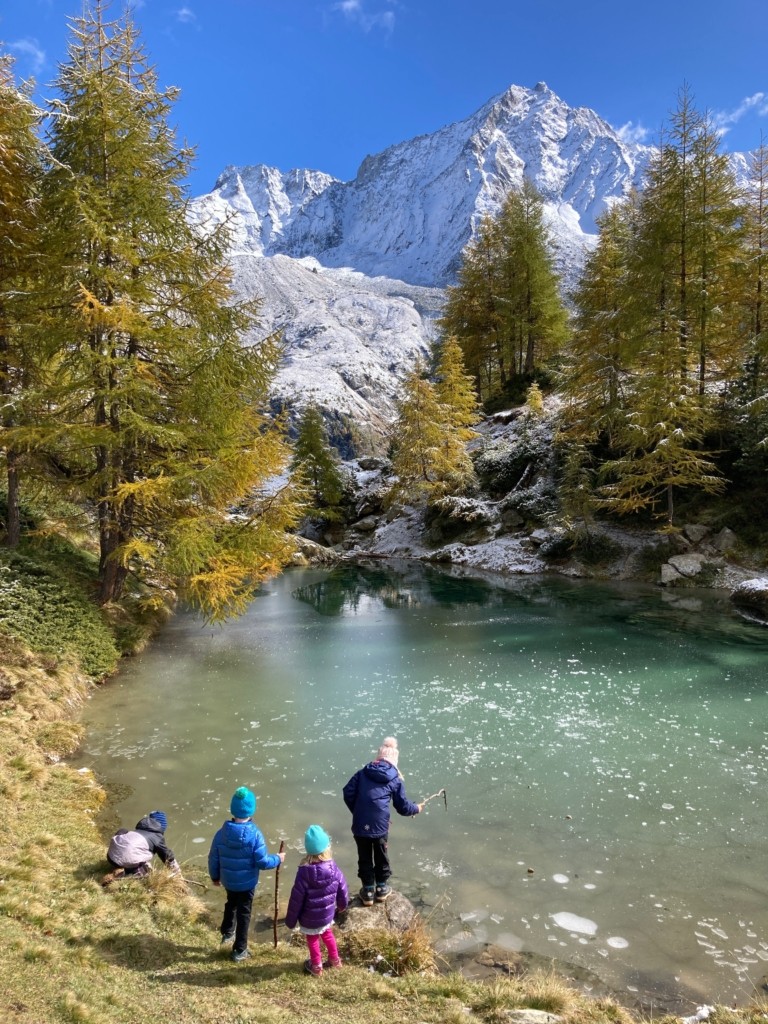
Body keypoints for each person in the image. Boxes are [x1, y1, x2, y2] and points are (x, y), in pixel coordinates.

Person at [342, 736, 423, 906]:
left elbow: (347, 792)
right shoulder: (395, 778)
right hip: (380, 825)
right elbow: (402, 806)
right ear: (394, 760)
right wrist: (417, 808)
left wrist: (358, 811)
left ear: (378, 757)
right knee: (381, 855)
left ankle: (368, 891)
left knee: (364, 856)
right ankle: (381, 888)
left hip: (360, 824)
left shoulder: (362, 773)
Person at [208, 785, 285, 962]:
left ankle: (227, 933)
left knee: (231, 903)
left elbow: (213, 857)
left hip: (229, 880)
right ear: (251, 810)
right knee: (244, 913)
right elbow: (262, 862)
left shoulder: (221, 833)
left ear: (232, 810)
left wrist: (215, 877)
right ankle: (240, 950)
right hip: (247, 883)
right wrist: (278, 858)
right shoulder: (255, 835)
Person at [284, 824, 349, 976]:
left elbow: (296, 899)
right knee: (328, 935)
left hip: (309, 917)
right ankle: (335, 960)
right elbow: (343, 888)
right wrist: (342, 905)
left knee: (312, 939)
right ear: (326, 848)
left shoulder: (303, 872)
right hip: (327, 914)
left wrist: (291, 920)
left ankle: (317, 966)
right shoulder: (333, 868)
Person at [106, 810, 179, 878]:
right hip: (127, 862)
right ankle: (132, 872)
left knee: (124, 831)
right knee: (146, 860)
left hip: (111, 858)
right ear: (162, 827)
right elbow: (167, 856)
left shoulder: (138, 830)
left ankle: (122, 866)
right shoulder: (157, 837)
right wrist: (177, 872)